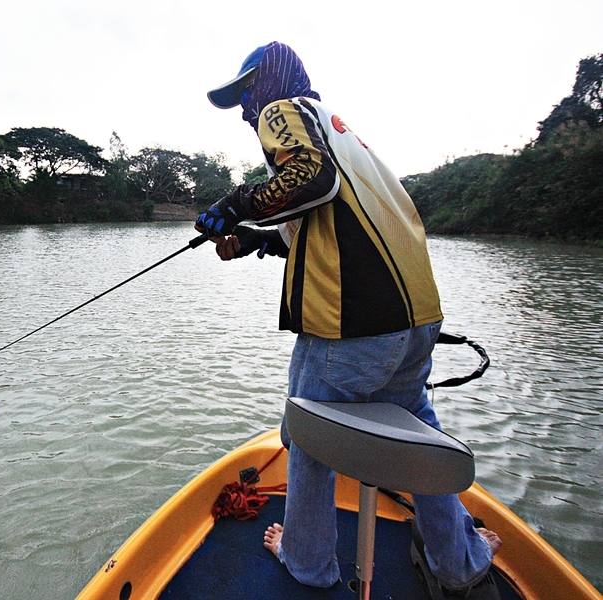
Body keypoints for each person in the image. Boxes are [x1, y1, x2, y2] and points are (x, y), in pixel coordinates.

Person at [195, 41, 502, 598]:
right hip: (415, 323)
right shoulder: (347, 138)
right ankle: (461, 561)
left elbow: (311, 179)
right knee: (422, 442)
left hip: (352, 329)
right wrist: (256, 240)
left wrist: (235, 203)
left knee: (311, 438)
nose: (245, 112)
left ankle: (307, 561)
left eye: (245, 93)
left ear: (271, 80)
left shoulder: (283, 111)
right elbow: (331, 227)